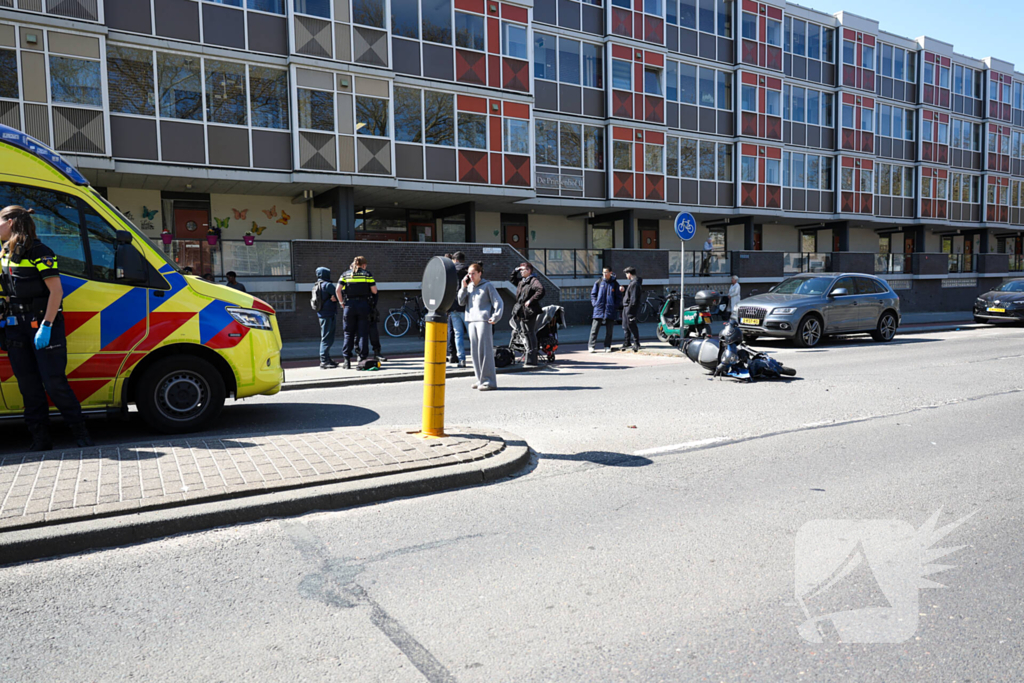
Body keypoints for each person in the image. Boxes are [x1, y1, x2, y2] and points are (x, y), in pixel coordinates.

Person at [0, 205, 93, 450]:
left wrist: (47, 325)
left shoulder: (40, 251)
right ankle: (40, 438)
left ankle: (80, 432)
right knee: (28, 386)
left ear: (10, 223)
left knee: (54, 383)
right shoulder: (4, 253)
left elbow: (56, 291)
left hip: (41, 324)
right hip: (15, 327)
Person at [457, 262, 503, 390]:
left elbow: (498, 302)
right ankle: (480, 379)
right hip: (471, 320)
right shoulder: (469, 287)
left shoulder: (488, 286)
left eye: (473, 273)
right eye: (469, 274)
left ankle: (489, 382)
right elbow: (461, 302)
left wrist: (495, 317)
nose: (470, 276)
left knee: (485, 351)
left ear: (479, 273)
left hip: (483, 321)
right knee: (475, 352)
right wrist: (463, 287)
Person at [338, 256, 377, 369]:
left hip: (349, 306)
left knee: (348, 333)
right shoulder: (367, 274)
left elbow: (338, 290)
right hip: (363, 306)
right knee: (362, 333)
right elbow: (374, 290)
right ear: (364, 265)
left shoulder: (345, 274)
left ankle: (346, 360)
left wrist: (341, 303)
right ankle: (362, 358)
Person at [510, 262, 545, 365]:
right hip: (522, 311)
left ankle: (532, 354)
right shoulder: (522, 281)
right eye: (520, 270)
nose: (521, 272)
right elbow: (512, 279)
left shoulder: (533, 281)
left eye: (523, 270)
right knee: (525, 332)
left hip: (529, 311)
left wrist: (530, 301)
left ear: (529, 271)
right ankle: (528, 352)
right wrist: (515, 270)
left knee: (530, 332)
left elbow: (541, 290)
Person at [588, 267, 621, 353]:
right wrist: (595, 304)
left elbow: (618, 297)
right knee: (594, 329)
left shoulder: (615, 284)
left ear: (610, 272)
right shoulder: (598, 282)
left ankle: (607, 346)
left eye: (606, 272)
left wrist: (615, 306)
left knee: (609, 330)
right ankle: (591, 346)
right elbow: (593, 295)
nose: (605, 274)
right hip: (599, 309)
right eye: (603, 272)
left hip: (610, 309)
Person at [314, 267, 338, 369]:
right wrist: (335, 298)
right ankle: (324, 360)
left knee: (326, 337)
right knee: (327, 338)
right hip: (329, 314)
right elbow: (339, 294)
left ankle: (327, 359)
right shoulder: (328, 285)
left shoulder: (317, 285)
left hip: (321, 314)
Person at [448, 251, 470, 368]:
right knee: (472, 334)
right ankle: (478, 358)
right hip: (467, 307)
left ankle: (462, 360)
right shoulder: (469, 271)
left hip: (453, 307)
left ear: (454, 260)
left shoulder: (450, 271)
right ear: (462, 259)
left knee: (458, 334)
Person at [619, 266, 643, 352]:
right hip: (627, 307)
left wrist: (630, 310)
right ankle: (627, 342)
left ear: (629, 274)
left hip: (630, 308)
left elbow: (634, 299)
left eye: (626, 274)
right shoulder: (633, 283)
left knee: (631, 325)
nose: (626, 276)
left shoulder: (635, 284)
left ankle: (636, 343)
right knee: (625, 325)